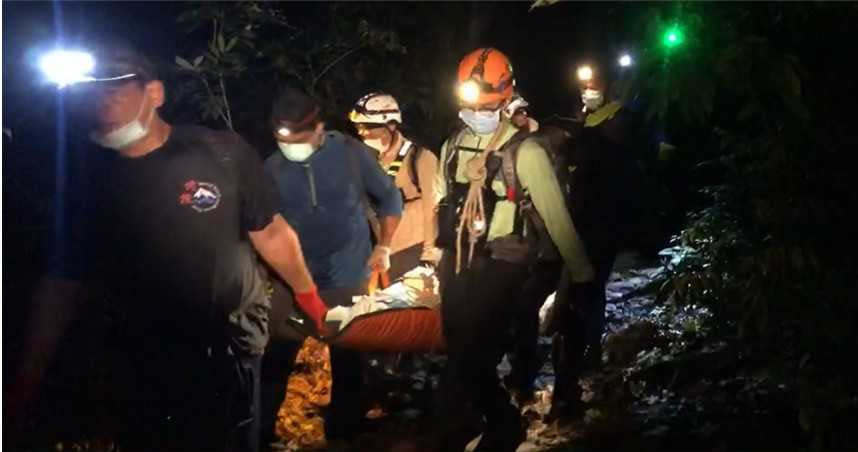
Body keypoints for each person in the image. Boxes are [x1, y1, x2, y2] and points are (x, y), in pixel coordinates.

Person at [6, 42, 330, 452]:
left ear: (154, 94)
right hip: (136, 359)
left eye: (115, 88)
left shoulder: (220, 153)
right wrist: (26, 377)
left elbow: (272, 234)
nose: (101, 103)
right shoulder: (84, 183)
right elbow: (61, 283)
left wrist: (309, 295)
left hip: (228, 349)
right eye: (91, 92)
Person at [430, 48, 594, 452]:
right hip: (459, 258)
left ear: (507, 97)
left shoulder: (528, 152)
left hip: (504, 261)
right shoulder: (452, 146)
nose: (479, 111)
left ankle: (501, 422)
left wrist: (581, 273)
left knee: (474, 349)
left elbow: (557, 218)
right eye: (473, 104)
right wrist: (431, 259)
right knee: (457, 346)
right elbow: (439, 201)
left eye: (487, 104)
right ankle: (476, 420)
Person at [260, 86, 403, 448]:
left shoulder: (350, 153)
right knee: (274, 362)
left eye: (296, 137)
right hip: (293, 283)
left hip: (346, 276)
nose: (288, 146)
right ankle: (259, 438)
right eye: (280, 138)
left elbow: (390, 197)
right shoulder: (271, 168)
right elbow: (260, 226)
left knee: (348, 364)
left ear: (318, 128)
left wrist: (383, 246)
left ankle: (343, 436)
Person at [349, 92, 442, 279]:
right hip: (386, 255)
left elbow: (433, 206)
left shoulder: (419, 157)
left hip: (416, 250)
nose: (362, 132)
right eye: (359, 127)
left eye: (368, 127)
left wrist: (430, 255)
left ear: (390, 125)